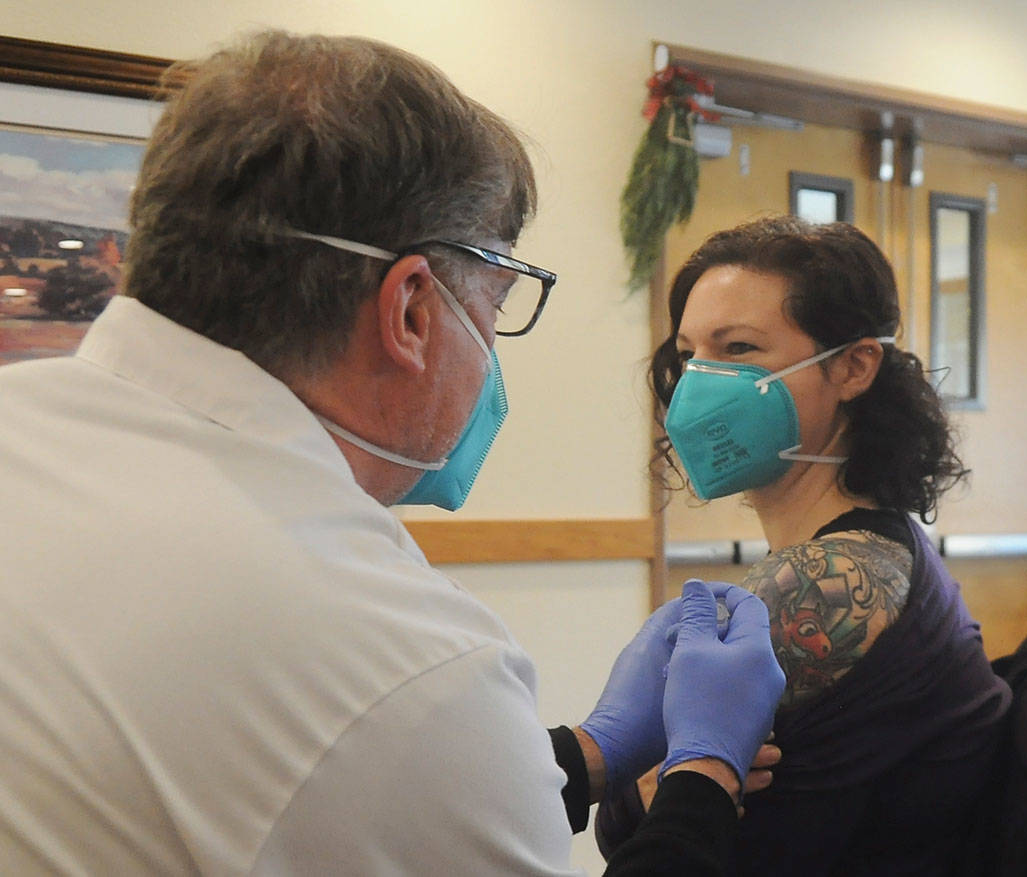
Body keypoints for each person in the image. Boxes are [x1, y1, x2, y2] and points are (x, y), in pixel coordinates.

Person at [0, 31, 785, 875]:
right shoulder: (404, 665)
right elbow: (366, 756)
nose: (491, 343)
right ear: (412, 308)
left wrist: (588, 752)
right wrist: (703, 774)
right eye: (495, 299)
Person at [596, 216, 1013, 874]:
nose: (699, 383)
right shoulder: (884, 546)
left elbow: (652, 823)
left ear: (853, 365)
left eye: (737, 348)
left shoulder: (821, 578)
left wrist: (631, 789)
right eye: (689, 353)